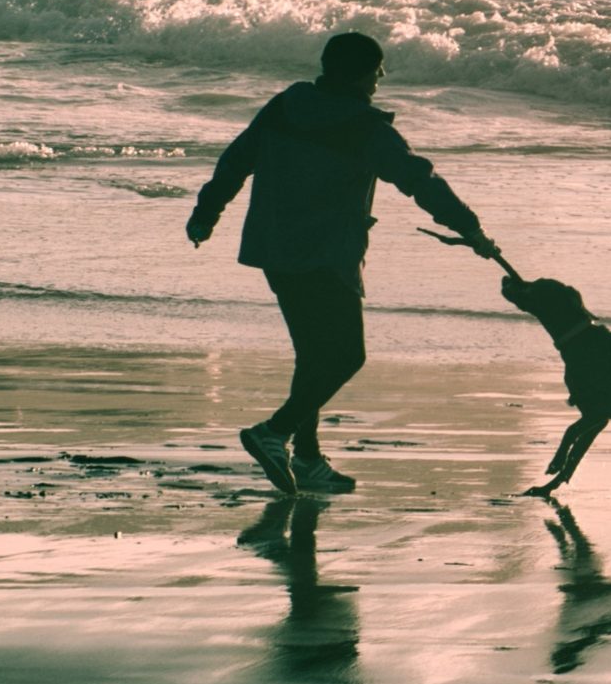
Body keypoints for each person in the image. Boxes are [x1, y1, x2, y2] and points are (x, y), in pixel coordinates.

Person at [187, 32, 497, 493]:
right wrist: (469, 227)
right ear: (358, 74)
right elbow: (419, 180)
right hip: (327, 253)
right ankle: (274, 431)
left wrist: (206, 213)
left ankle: (308, 458)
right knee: (347, 355)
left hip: (274, 245)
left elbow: (236, 160)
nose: (381, 78)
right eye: (377, 70)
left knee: (313, 355)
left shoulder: (285, 106)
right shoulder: (366, 128)